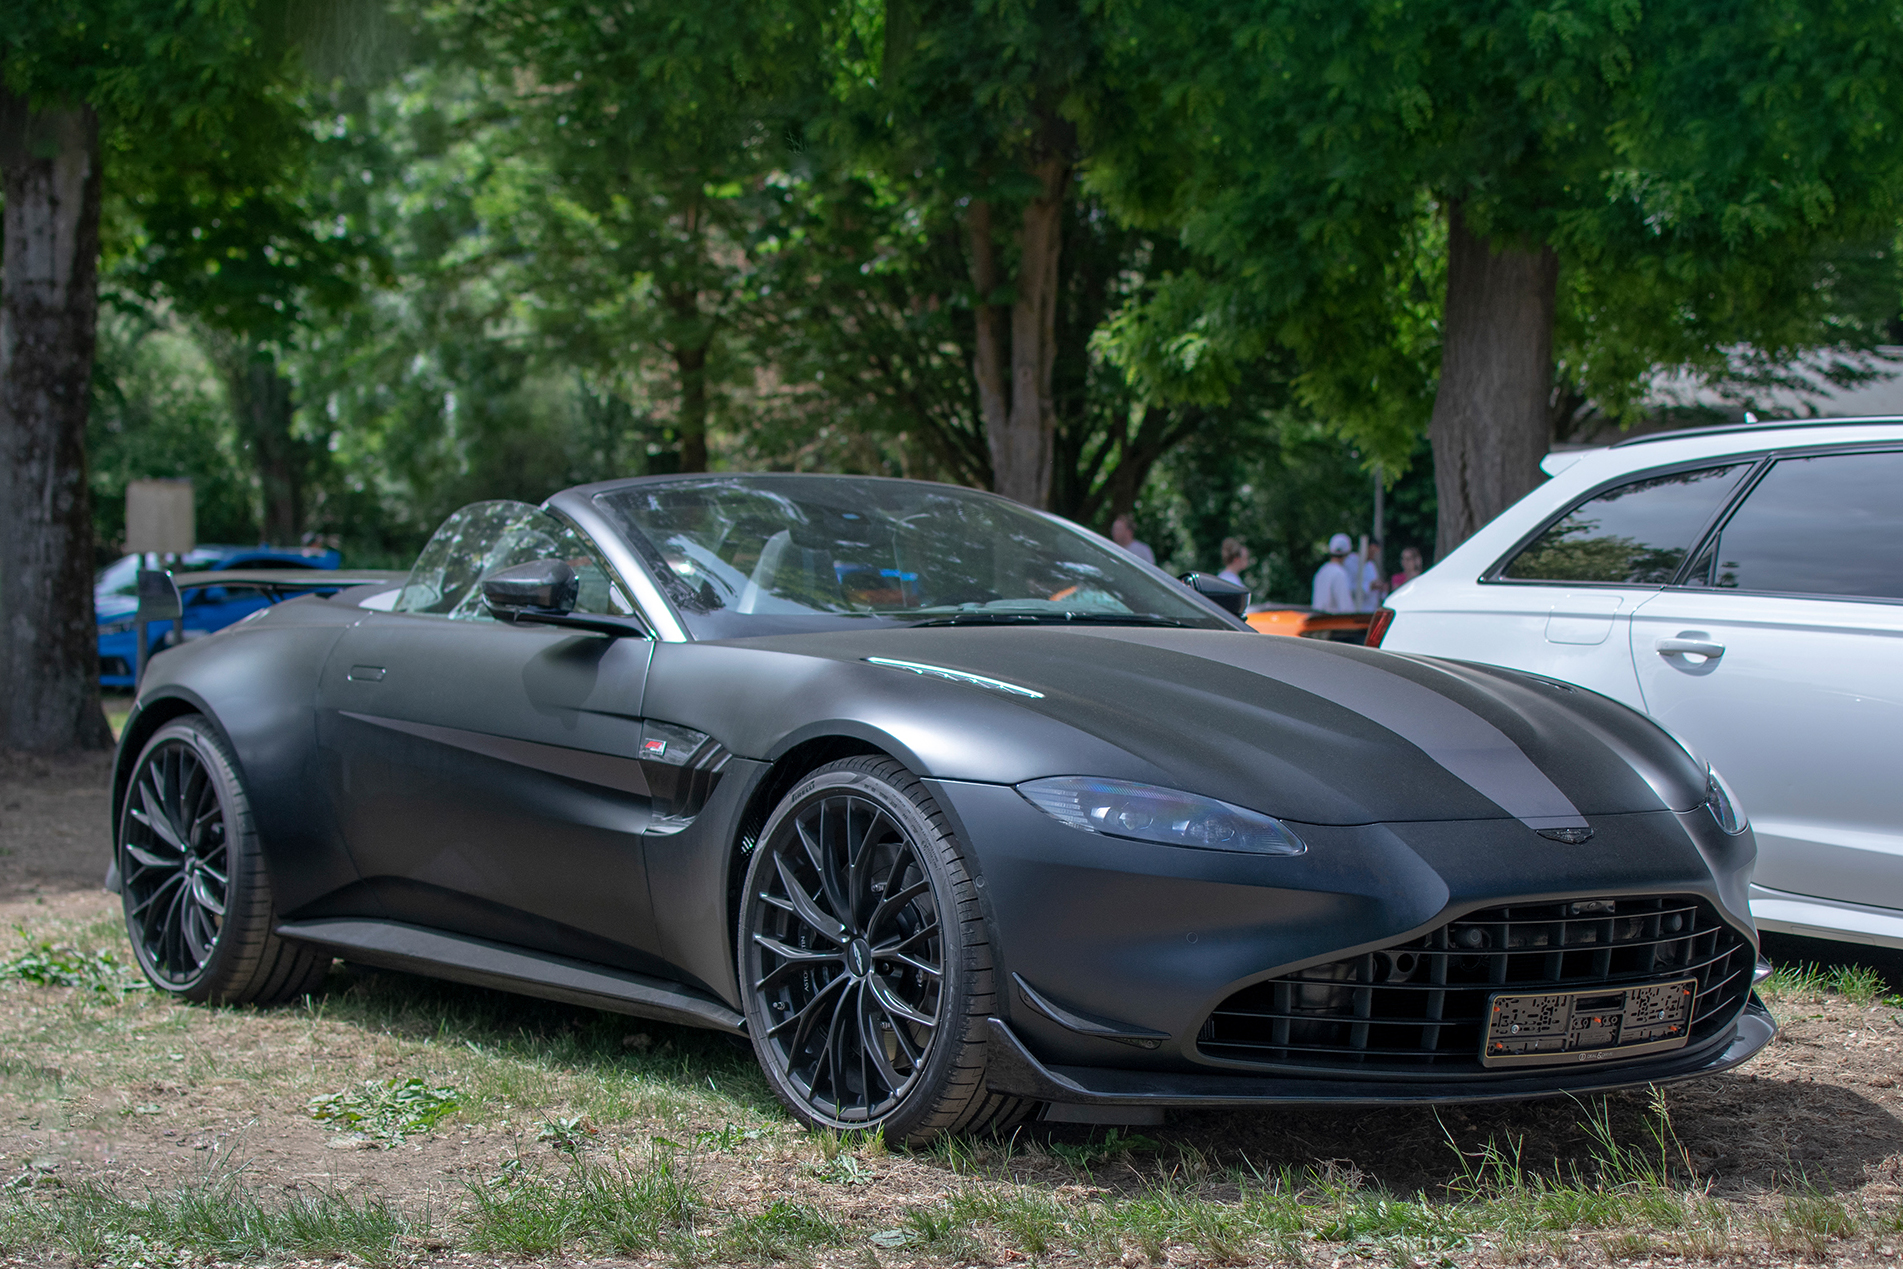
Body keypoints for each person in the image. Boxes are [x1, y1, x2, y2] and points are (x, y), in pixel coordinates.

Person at [1312, 533, 1355, 613]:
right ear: (1347, 553)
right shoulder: (1340, 574)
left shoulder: (1322, 571)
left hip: (1318, 618)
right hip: (1333, 619)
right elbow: (1345, 607)